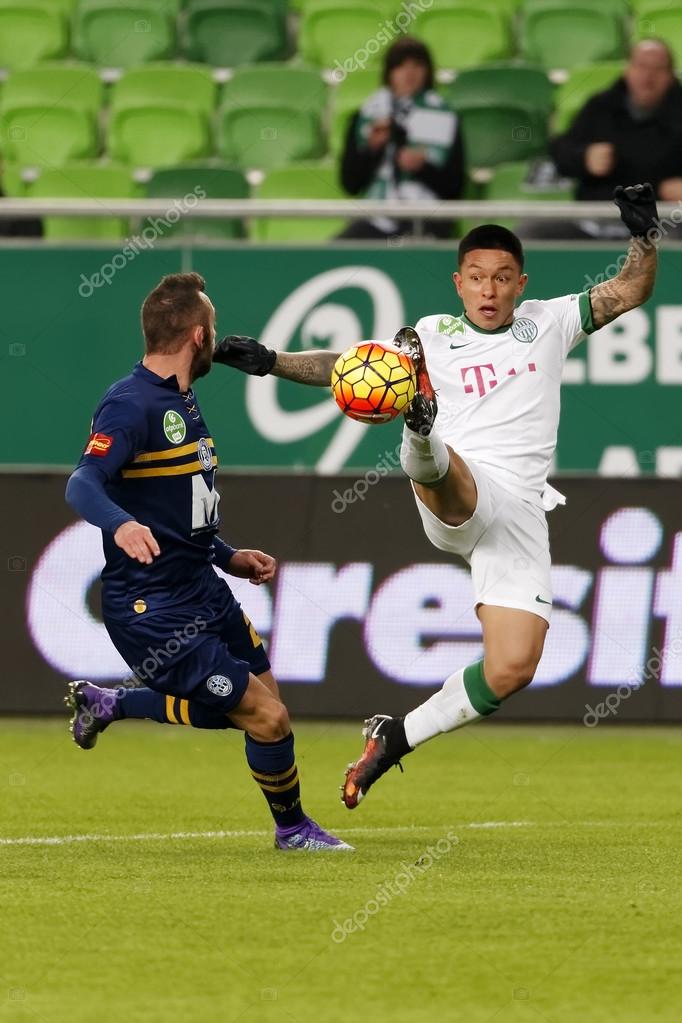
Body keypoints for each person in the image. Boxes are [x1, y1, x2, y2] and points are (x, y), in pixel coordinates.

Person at [212, 183, 659, 808]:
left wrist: (644, 236)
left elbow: (631, 289)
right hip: (454, 487)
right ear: (458, 282)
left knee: (511, 669)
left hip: (520, 512)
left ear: (521, 283)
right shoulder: (431, 334)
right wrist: (271, 360)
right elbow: (349, 365)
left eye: (503, 278)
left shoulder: (551, 322)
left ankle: (395, 738)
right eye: (477, 277)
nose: (490, 290)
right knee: (449, 471)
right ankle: (421, 433)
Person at [64, 272, 351, 851]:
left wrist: (228, 555)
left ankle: (115, 702)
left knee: (270, 709)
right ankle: (293, 830)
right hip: (154, 611)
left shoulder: (181, 400)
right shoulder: (130, 404)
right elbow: (81, 483)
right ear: (198, 336)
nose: (217, 337)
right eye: (212, 328)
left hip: (203, 587)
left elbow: (178, 509)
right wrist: (120, 524)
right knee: (266, 719)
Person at [522, 40, 682, 240]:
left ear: (670, 76)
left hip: (661, 225)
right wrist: (584, 157)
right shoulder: (600, 107)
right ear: (628, 70)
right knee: (529, 234)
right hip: (594, 223)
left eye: (658, 69)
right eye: (641, 66)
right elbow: (560, 151)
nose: (648, 76)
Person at [337, 36, 464, 241]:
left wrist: (422, 168)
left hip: (428, 217)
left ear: (428, 72)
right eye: (400, 66)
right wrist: (373, 150)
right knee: (339, 251)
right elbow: (350, 184)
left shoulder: (447, 117)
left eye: (417, 65)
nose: (409, 73)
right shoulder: (365, 117)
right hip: (374, 218)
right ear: (389, 73)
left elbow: (455, 188)